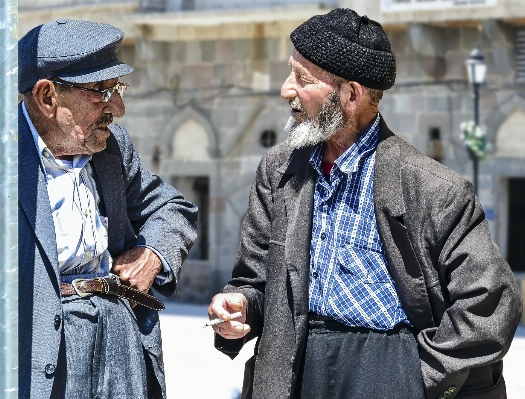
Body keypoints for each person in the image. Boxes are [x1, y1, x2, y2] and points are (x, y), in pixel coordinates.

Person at [208, 8, 522, 399]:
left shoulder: (434, 189)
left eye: (302, 78)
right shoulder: (279, 170)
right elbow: (254, 281)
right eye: (291, 72)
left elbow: (489, 302)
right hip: (297, 369)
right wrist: (239, 307)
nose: (286, 89)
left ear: (351, 95)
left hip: (389, 367)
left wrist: (414, 377)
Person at [18, 19, 198, 399]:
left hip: (119, 334)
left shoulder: (110, 147)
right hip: (38, 350)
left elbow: (171, 207)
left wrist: (153, 253)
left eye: (118, 89)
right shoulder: (7, 162)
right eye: (101, 91)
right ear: (47, 96)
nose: (118, 107)